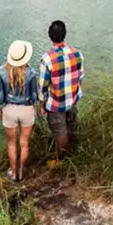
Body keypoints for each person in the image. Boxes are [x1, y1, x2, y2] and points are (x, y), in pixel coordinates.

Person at [38, 20, 84, 163]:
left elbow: (43, 86)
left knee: (60, 132)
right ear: (65, 34)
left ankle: (62, 160)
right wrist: (74, 91)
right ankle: (70, 151)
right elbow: (80, 76)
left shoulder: (47, 59)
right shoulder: (77, 53)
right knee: (70, 125)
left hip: (56, 103)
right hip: (73, 98)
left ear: (50, 36)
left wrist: (42, 103)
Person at [0, 39, 39, 182]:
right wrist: (34, 107)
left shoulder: (2, 71)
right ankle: (21, 172)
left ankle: (14, 175)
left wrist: (0, 107)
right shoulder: (31, 73)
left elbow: (0, 95)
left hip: (9, 110)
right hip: (26, 110)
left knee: (11, 143)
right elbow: (34, 96)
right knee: (24, 143)